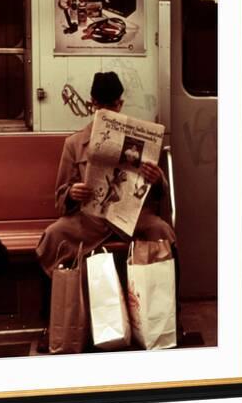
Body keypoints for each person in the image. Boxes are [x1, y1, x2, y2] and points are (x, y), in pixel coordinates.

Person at [35, 71, 179, 351]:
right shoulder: (75, 143)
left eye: (111, 106)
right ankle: (51, 324)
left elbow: (158, 195)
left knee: (163, 232)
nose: (107, 112)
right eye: (101, 107)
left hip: (133, 217)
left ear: (120, 104)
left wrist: (156, 177)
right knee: (53, 236)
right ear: (92, 104)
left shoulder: (142, 136)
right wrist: (73, 193)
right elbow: (60, 196)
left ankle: (172, 317)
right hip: (90, 219)